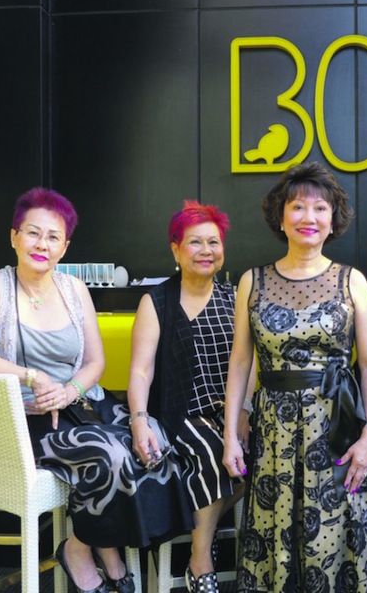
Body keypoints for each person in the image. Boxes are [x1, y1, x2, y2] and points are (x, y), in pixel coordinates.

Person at [0, 187, 192, 593]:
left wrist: (70, 389)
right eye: (32, 233)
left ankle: (89, 543)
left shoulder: (74, 289)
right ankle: (92, 552)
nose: (41, 244)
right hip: (27, 421)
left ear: (65, 247)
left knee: (153, 441)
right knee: (113, 455)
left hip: (81, 406)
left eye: (52, 237)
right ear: (13, 236)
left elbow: (95, 363)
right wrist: (31, 376)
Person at [223, 162, 367, 592]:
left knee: (339, 526)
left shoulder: (352, 280)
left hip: (338, 422)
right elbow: (240, 363)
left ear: (333, 220)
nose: (309, 217)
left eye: (320, 208)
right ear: (281, 217)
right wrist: (231, 433)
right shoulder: (253, 281)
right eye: (298, 207)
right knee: (280, 524)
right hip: (276, 428)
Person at [126, 200, 251, 593]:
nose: (206, 251)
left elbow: (246, 365)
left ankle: (197, 522)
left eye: (213, 242)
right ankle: (201, 560)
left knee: (261, 456)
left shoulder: (235, 298)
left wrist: (245, 410)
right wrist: (139, 419)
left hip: (228, 410)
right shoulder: (156, 301)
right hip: (179, 415)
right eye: (195, 242)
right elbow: (141, 369)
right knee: (217, 452)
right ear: (175, 249)